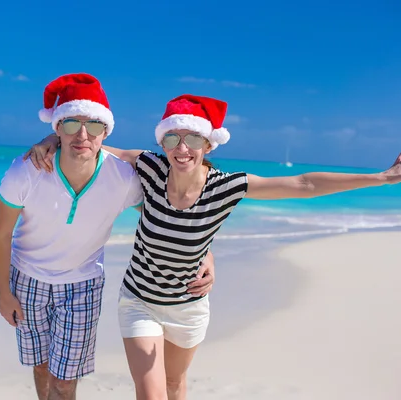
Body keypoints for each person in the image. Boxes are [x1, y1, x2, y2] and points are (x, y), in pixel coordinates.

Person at [27, 93, 401, 400]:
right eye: (173, 138)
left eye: (192, 139)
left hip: (188, 307)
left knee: (175, 386)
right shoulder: (150, 169)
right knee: (152, 394)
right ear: (163, 142)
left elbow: (303, 184)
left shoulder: (227, 186)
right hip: (139, 301)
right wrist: (48, 139)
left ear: (207, 144)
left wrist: (381, 178)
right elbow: (94, 147)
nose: (182, 147)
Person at [0, 75, 216, 400]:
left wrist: (205, 255)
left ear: (106, 132)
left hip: (83, 286)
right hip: (26, 280)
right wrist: (3, 292)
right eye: (71, 124)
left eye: (94, 126)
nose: (83, 135)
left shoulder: (122, 178)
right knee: (40, 367)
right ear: (57, 128)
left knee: (65, 380)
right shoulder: (26, 170)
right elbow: (1, 234)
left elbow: (169, 220)